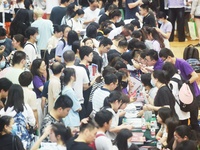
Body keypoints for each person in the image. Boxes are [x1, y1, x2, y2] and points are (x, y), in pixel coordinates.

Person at [159, 48, 200, 131]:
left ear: (169, 57)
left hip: (192, 94)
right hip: (182, 96)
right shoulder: (170, 67)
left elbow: (195, 76)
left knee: (194, 120)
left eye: (164, 60)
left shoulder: (182, 63)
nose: (164, 62)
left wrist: (185, 84)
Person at [0, 84, 36, 149]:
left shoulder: (3, 111)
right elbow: (32, 122)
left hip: (8, 142)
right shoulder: (26, 107)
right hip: (25, 140)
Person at [63, 50, 89, 120]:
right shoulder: (81, 69)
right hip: (79, 102)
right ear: (75, 59)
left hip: (64, 105)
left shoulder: (62, 70)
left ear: (64, 60)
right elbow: (86, 86)